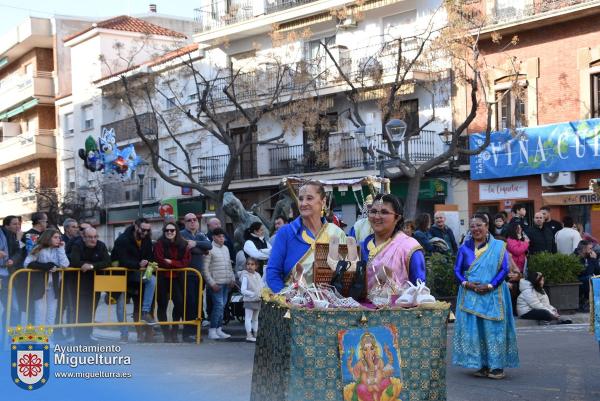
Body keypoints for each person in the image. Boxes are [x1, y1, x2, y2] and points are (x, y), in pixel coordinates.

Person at [452, 214, 519, 380]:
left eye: (479, 225)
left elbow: (504, 269)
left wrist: (490, 285)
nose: (475, 229)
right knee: (475, 330)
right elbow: (457, 270)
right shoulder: (465, 248)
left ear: (487, 226)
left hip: (494, 294)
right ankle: (481, 364)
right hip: (470, 294)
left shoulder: (498, 246)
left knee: (494, 330)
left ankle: (496, 366)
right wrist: (466, 284)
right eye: (472, 226)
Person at [266, 180, 347, 293]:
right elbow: (272, 273)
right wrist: (287, 299)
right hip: (294, 304)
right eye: (300, 199)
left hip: (330, 304)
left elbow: (346, 274)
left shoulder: (337, 233)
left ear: (323, 202)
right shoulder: (286, 232)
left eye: (309, 198)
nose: (303, 203)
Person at [361, 194, 425, 291]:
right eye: (373, 211)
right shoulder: (361, 246)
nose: (377, 217)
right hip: (360, 306)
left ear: (397, 218)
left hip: (397, 305)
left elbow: (419, 289)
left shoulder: (409, 247)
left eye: (384, 212)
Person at [111, 218, 157, 343]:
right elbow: (122, 260)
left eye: (148, 230)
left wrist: (149, 263)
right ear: (135, 226)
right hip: (120, 275)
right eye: (143, 230)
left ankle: (145, 312)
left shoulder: (146, 238)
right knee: (121, 306)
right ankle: (124, 334)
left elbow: (150, 256)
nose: (146, 233)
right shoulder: (122, 240)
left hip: (136, 274)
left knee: (152, 279)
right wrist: (138, 264)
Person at [68, 227, 111, 344]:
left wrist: (91, 266)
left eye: (95, 237)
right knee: (80, 311)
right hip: (78, 283)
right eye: (90, 237)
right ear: (84, 237)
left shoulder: (101, 246)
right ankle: (79, 338)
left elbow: (107, 262)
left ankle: (87, 336)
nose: (93, 240)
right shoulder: (77, 245)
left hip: (95, 283)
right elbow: (74, 261)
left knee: (91, 310)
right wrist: (84, 264)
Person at [154, 222, 192, 343]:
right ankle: (166, 333)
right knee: (162, 305)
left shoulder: (183, 244)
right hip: (162, 278)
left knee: (180, 304)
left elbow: (185, 262)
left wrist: (171, 262)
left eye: (172, 230)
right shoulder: (159, 243)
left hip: (177, 278)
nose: (169, 232)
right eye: (167, 231)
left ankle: (174, 331)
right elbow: (159, 259)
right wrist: (175, 263)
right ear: (164, 232)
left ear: (176, 231)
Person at [23, 229, 70, 326]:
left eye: (59, 237)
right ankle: (40, 339)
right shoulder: (39, 248)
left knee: (51, 313)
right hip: (40, 284)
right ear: (48, 238)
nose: (58, 240)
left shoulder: (59, 249)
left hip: (54, 285)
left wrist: (61, 249)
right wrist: (45, 266)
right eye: (55, 237)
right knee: (40, 313)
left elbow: (65, 264)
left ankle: (49, 337)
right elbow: (26, 263)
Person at [179, 213, 212, 342]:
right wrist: (201, 250)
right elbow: (185, 249)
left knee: (197, 304)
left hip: (198, 275)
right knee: (189, 304)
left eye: (195, 220)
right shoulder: (181, 234)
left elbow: (209, 246)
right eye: (189, 220)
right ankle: (187, 334)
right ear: (185, 222)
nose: (192, 222)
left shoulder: (200, 234)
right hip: (187, 274)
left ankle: (195, 332)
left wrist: (195, 244)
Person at [203, 227, 236, 340]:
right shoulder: (209, 249)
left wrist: (232, 279)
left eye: (223, 236)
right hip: (216, 284)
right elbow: (205, 269)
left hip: (226, 283)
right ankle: (212, 330)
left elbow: (229, 265)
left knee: (222, 307)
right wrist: (211, 283)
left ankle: (219, 329)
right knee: (218, 306)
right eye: (219, 236)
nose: (222, 239)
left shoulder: (226, 248)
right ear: (213, 237)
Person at [0, 215, 22, 343]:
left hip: (7, 276)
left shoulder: (14, 236)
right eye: (14, 224)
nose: (18, 226)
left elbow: (18, 252)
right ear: (6, 225)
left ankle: (9, 339)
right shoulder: (3, 234)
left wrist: (12, 260)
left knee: (13, 308)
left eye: (18, 223)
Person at [240, 256, 264, 342]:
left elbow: (261, 286)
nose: (250, 266)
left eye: (252, 264)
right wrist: (252, 294)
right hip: (249, 300)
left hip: (257, 299)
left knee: (255, 318)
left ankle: (256, 333)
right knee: (248, 317)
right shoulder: (245, 276)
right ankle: (249, 334)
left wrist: (262, 293)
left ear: (256, 266)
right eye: (248, 264)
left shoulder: (258, 275)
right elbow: (243, 290)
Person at [575, 240, 600, 311]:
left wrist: (595, 260)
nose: (592, 250)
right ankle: (586, 302)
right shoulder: (575, 257)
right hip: (579, 281)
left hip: (589, 280)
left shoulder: (590, 257)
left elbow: (598, 272)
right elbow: (583, 273)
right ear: (583, 249)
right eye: (590, 249)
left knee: (594, 279)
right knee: (590, 278)